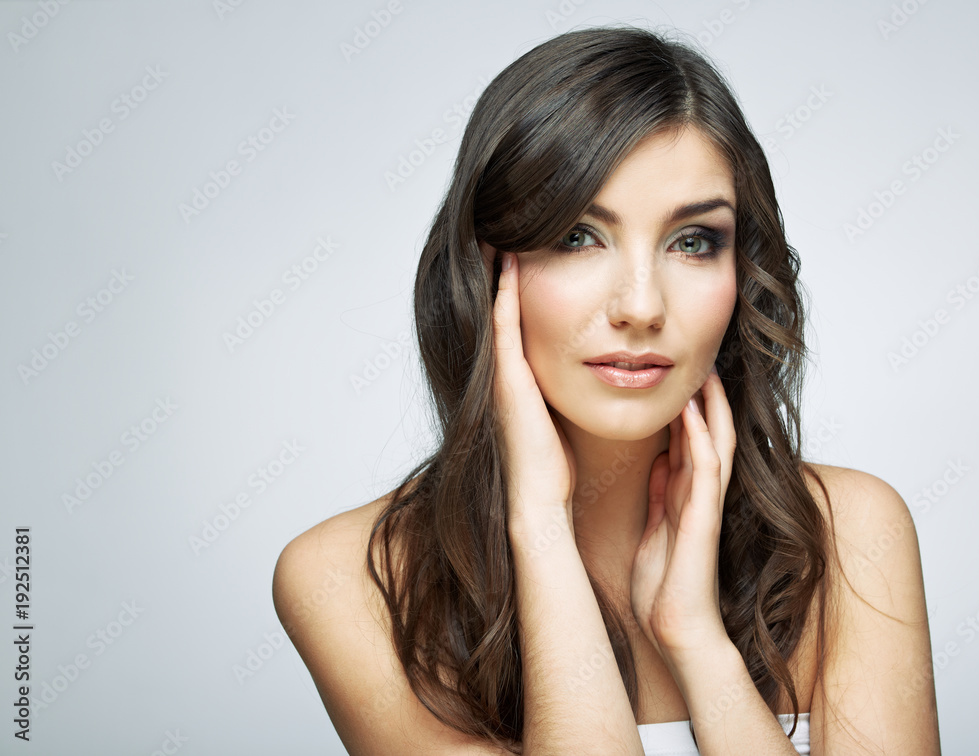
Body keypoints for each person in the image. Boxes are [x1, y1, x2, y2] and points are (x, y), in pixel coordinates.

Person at [272, 25, 940, 755]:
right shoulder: (346, 579)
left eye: (693, 241)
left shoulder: (851, 537)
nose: (641, 306)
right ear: (486, 269)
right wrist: (541, 525)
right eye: (578, 236)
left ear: (740, 274)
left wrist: (699, 647)